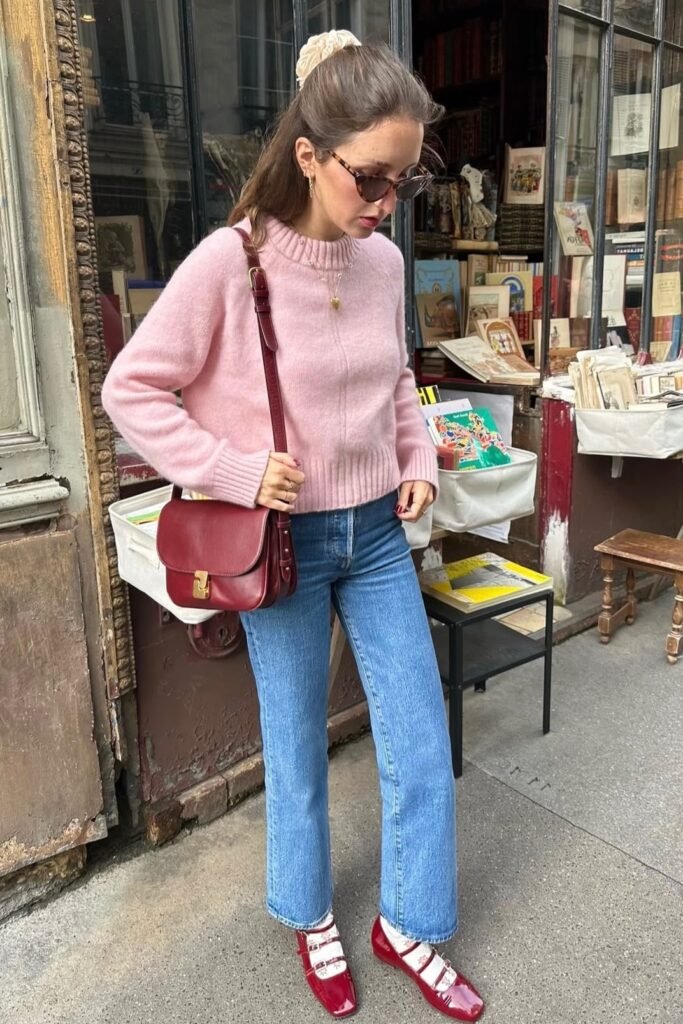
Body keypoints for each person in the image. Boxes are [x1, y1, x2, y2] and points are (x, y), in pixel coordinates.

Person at [102, 30, 484, 1022]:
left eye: (401, 182)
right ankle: (310, 913)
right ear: (309, 154)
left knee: (414, 730)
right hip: (281, 546)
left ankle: (406, 923)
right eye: (370, 178)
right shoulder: (230, 263)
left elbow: (395, 380)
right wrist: (229, 469)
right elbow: (131, 389)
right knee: (297, 742)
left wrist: (409, 460)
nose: (385, 204)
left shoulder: (379, 265)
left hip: (371, 539)